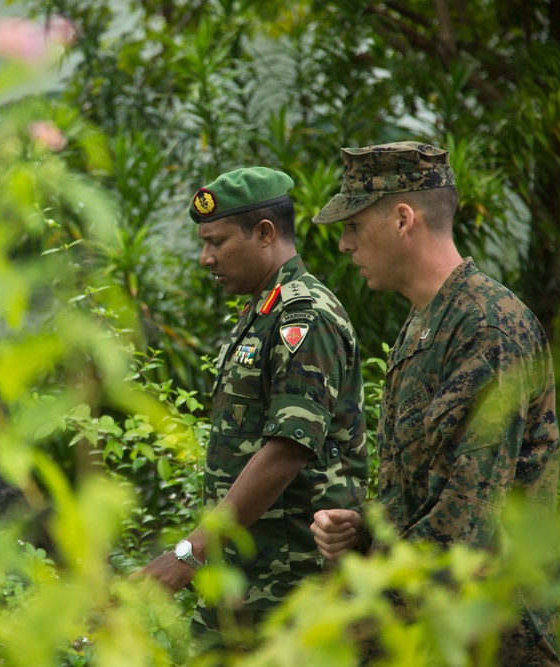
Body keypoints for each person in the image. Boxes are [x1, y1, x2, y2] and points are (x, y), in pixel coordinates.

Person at [310, 141, 560, 665]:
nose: (343, 245)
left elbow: (467, 522)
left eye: (353, 225)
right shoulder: (425, 322)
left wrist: (355, 621)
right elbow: (421, 488)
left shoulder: (486, 328)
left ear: (403, 219)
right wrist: (364, 527)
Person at [134, 166, 368, 652]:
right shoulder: (263, 310)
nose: (205, 258)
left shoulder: (304, 315)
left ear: (265, 234)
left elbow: (287, 450)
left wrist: (187, 554)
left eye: (217, 242)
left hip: (290, 591)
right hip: (244, 584)